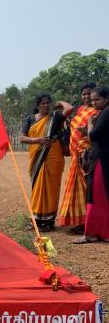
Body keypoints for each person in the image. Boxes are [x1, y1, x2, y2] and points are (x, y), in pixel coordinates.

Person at [19, 94, 72, 231]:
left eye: (48, 103)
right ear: (37, 106)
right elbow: (21, 138)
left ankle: (49, 222)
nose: (46, 105)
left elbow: (70, 109)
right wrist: (38, 140)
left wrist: (60, 101)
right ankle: (36, 220)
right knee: (38, 186)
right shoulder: (30, 119)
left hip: (54, 156)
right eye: (43, 103)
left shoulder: (56, 116)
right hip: (37, 156)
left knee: (52, 188)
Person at [57, 83, 97, 231]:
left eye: (89, 94)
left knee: (88, 189)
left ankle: (88, 222)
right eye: (84, 94)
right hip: (76, 156)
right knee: (79, 191)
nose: (86, 97)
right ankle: (80, 221)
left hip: (87, 156)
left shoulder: (98, 111)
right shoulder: (81, 110)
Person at [73, 86, 109, 243]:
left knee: (95, 194)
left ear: (106, 99)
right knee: (101, 195)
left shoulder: (106, 112)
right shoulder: (103, 113)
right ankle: (100, 232)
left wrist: (89, 125)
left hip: (101, 158)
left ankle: (92, 233)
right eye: (92, 100)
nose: (93, 102)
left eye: (97, 99)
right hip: (101, 156)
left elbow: (93, 135)